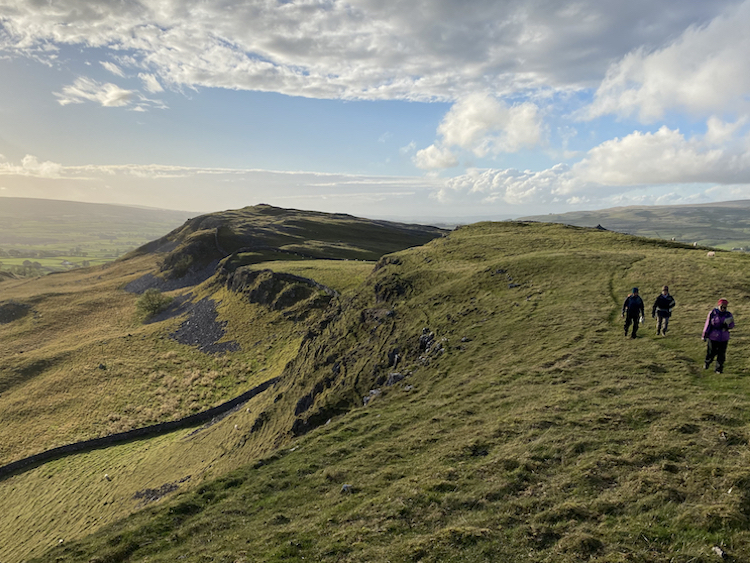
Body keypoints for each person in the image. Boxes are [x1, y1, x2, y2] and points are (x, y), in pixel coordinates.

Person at [702, 298, 735, 373]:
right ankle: (707, 362)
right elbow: (708, 324)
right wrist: (704, 335)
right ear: (718, 305)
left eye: (725, 307)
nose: (723, 309)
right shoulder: (712, 313)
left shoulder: (728, 314)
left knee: (721, 354)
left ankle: (719, 369)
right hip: (713, 337)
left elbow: (732, 325)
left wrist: (728, 325)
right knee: (711, 352)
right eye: (722, 307)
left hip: (724, 337)